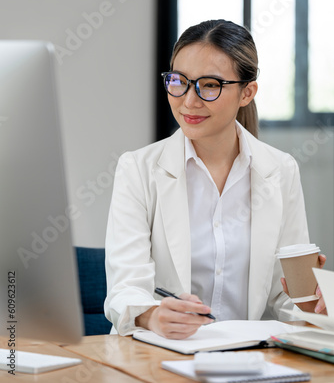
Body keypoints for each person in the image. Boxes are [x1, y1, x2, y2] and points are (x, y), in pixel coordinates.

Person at [104, 19, 326, 339]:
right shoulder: (137, 169)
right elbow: (125, 288)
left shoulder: (280, 170)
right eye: (179, 81)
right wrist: (152, 314)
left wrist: (313, 304)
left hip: (247, 357)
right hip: (158, 353)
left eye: (210, 85)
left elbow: (281, 298)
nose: (189, 101)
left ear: (247, 92)